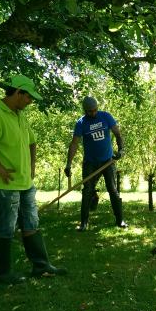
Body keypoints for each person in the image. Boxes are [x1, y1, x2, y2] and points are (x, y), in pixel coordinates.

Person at [0, 75, 67, 284]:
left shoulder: (20, 115)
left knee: (32, 222)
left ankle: (42, 266)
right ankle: (3, 273)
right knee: (6, 227)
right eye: (29, 97)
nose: (31, 101)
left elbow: (32, 141)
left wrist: (32, 163)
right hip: (4, 185)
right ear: (17, 92)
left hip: (25, 183)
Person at [64, 96, 128, 231]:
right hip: (90, 163)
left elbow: (118, 134)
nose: (93, 113)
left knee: (113, 190)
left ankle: (120, 220)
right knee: (87, 191)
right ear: (85, 111)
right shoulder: (81, 123)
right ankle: (84, 224)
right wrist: (68, 164)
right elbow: (74, 144)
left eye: (95, 110)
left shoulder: (106, 117)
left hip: (107, 161)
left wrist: (121, 150)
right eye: (90, 112)